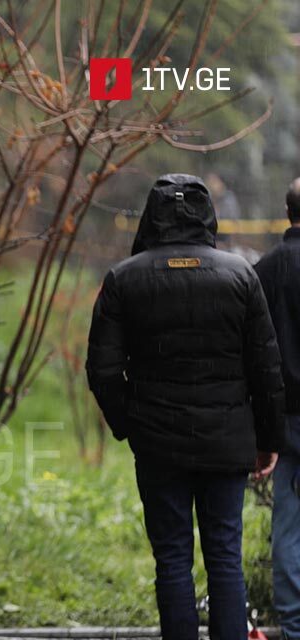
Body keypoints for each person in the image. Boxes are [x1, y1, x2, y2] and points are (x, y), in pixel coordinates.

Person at [86, 174, 284, 640]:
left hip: (158, 445)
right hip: (227, 444)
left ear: (151, 217)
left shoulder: (124, 279)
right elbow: (266, 367)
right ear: (208, 216)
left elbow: (103, 370)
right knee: (225, 557)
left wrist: (130, 424)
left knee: (172, 558)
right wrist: (268, 438)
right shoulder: (240, 276)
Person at [254, 177, 300, 640]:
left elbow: (254, 352)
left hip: (284, 421)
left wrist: (261, 430)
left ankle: (294, 623)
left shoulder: (264, 270)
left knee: (288, 527)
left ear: (288, 213)